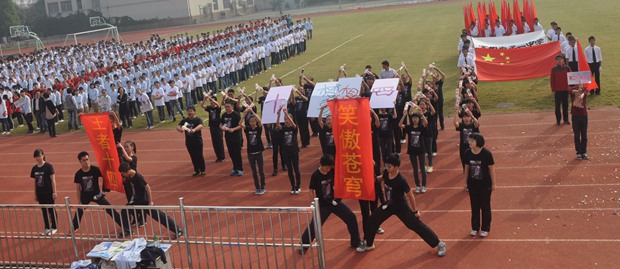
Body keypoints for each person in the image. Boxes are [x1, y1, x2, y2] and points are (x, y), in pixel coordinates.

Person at [356, 154, 446, 257]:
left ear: (396, 167)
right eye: (386, 165)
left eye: (389, 166)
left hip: (401, 208)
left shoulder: (401, 180)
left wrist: (415, 211)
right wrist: (371, 169)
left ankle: (439, 243)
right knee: (372, 220)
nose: (387, 168)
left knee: (415, 225)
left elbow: (411, 195)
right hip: (389, 206)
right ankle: (369, 243)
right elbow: (379, 179)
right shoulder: (387, 173)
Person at [299, 154, 361, 254]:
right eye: (327, 167)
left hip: (334, 202)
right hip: (323, 205)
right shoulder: (316, 175)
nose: (328, 169)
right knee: (315, 225)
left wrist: (338, 198)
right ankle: (304, 245)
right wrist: (313, 203)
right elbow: (311, 190)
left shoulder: (332, 170)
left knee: (351, 217)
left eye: (330, 167)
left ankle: (355, 242)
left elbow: (340, 182)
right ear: (321, 165)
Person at [118, 163, 183, 239]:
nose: (122, 176)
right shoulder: (130, 176)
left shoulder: (137, 177)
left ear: (127, 171)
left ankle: (178, 230)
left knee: (159, 216)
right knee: (124, 211)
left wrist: (150, 202)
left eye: (123, 174)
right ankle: (127, 230)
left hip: (144, 202)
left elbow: (148, 188)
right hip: (137, 201)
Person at [71, 151, 123, 232]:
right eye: (84, 160)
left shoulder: (95, 169)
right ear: (80, 161)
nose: (86, 161)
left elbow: (106, 176)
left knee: (109, 209)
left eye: (87, 159)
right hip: (85, 196)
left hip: (97, 195)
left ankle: (123, 223)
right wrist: (79, 201)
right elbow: (78, 189)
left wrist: (104, 190)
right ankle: (74, 227)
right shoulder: (78, 174)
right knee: (79, 212)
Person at [463, 133, 496, 238]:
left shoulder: (486, 153)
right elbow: (466, 168)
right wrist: (465, 182)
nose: (470, 142)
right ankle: (475, 227)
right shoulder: (467, 153)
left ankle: (485, 228)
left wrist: (494, 183)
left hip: (484, 184)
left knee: (485, 206)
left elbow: (491, 169)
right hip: (473, 184)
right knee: (474, 206)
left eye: (472, 141)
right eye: (469, 140)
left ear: (479, 142)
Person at [400, 109, 428, 193]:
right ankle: (417, 185)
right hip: (412, 150)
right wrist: (404, 115)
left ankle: (423, 185)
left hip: (421, 150)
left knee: (422, 168)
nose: (415, 119)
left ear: (419, 119)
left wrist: (422, 115)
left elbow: (426, 124)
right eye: (413, 118)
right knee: (415, 169)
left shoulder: (421, 128)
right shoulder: (409, 128)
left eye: (416, 118)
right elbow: (400, 124)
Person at [30, 149, 58, 236]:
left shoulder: (48, 166)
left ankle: (54, 227)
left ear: (43, 155)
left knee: (51, 209)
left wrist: (54, 192)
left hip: (48, 192)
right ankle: (47, 227)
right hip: (40, 193)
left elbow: (53, 180)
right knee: (44, 211)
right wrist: (35, 194)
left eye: (39, 155)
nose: (38, 158)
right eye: (36, 156)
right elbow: (35, 182)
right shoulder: (34, 168)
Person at [276, 106, 301, 194]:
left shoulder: (294, 128)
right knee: (290, 170)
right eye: (285, 119)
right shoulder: (284, 129)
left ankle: (298, 186)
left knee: (296, 169)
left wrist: (286, 113)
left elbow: (294, 125)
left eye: (288, 119)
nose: (286, 120)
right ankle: (293, 186)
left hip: (294, 151)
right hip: (286, 152)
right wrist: (279, 115)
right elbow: (278, 125)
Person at [176, 106, 206, 176]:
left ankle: (202, 170)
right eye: (188, 111)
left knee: (199, 156)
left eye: (191, 111)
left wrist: (194, 130)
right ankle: (196, 169)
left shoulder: (197, 119)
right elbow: (178, 126)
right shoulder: (185, 120)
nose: (189, 113)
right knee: (193, 156)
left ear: (194, 112)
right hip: (189, 142)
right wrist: (179, 129)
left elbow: (201, 125)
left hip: (197, 141)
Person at [242, 108, 266, 195]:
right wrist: (244, 115)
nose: (252, 123)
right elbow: (240, 124)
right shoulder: (247, 129)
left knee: (261, 170)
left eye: (253, 121)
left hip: (259, 152)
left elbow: (260, 121)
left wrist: (252, 112)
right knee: (254, 172)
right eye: (250, 121)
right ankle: (257, 187)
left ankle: (263, 187)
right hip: (250, 153)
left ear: (255, 122)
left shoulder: (258, 129)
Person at [220, 101, 244, 176]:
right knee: (231, 153)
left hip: (236, 136)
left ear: (232, 107)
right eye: (225, 106)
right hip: (228, 136)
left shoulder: (236, 115)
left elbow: (241, 125)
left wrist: (233, 129)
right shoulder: (224, 115)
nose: (226, 108)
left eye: (228, 106)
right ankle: (235, 168)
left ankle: (240, 169)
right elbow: (221, 123)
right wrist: (221, 128)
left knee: (237, 153)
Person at [550, 54, 571, 125]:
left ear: (563, 60)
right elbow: (552, 81)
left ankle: (566, 120)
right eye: (558, 59)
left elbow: (571, 78)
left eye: (560, 59)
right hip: (557, 91)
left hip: (565, 90)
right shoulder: (554, 69)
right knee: (557, 107)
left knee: (565, 106)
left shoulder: (567, 68)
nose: (559, 60)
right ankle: (558, 120)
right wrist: (553, 90)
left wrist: (571, 88)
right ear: (556, 61)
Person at [570, 86, 589, 160]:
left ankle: (584, 152)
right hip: (575, 115)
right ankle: (579, 152)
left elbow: (585, 92)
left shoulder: (584, 88)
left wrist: (581, 94)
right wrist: (577, 91)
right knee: (576, 135)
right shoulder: (571, 88)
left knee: (584, 135)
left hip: (583, 115)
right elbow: (570, 91)